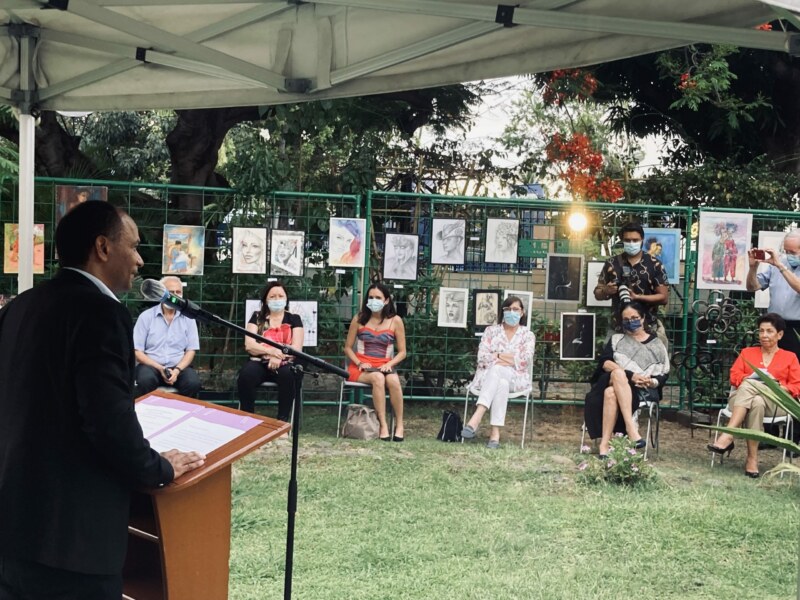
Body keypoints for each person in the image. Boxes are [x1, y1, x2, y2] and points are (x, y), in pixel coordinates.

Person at [0, 201, 205, 599]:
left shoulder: (21, 306)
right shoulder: (101, 313)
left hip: (13, 526)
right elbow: (107, 421)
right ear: (103, 247)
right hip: (72, 543)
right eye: (134, 246)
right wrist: (159, 467)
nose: (140, 260)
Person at [707, 313, 800, 477]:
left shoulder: (789, 357)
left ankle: (729, 434)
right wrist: (752, 381)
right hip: (741, 400)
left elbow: (796, 386)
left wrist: (774, 387)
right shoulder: (748, 353)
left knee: (754, 389)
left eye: (769, 331)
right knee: (755, 399)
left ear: (780, 335)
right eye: (761, 331)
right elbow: (734, 376)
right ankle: (752, 459)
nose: (764, 335)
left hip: (775, 402)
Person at [583, 302, 670, 457]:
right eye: (626, 319)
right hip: (614, 379)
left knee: (611, 393)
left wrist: (651, 382)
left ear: (643, 318)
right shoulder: (617, 339)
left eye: (635, 317)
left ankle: (605, 445)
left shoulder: (657, 344)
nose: (631, 322)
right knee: (617, 374)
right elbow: (605, 363)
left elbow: (663, 374)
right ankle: (631, 429)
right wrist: (630, 375)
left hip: (642, 389)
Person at [461, 295, 536, 448]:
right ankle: (495, 434)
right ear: (503, 312)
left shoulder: (527, 335)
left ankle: (477, 416)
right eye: (508, 309)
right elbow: (482, 358)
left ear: (522, 313)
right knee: (501, 380)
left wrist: (497, 355)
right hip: (489, 378)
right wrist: (510, 358)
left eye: (516, 309)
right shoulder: (491, 331)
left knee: (497, 368)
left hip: (517, 379)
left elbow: (524, 360)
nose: (512, 312)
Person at [344, 283, 407, 441]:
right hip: (362, 367)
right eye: (371, 297)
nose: (374, 300)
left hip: (385, 364)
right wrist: (359, 363)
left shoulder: (395, 321)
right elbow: (347, 348)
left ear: (386, 301)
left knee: (393, 380)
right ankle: (383, 424)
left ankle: (399, 424)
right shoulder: (359, 319)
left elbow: (403, 352)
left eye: (378, 298)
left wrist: (389, 364)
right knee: (377, 378)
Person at [237, 281, 304, 421]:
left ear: (286, 299)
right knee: (246, 374)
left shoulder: (294, 319)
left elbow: (296, 348)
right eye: (272, 296)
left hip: (285, 363)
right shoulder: (257, 317)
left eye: (280, 296)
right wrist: (272, 351)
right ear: (265, 300)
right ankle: (247, 419)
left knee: (289, 376)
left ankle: (282, 422)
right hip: (259, 361)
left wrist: (279, 356)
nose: (277, 299)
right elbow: (249, 345)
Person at [594, 222, 669, 345]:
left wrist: (638, 297)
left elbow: (664, 297)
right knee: (613, 363)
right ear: (622, 240)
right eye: (627, 240)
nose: (631, 243)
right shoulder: (612, 264)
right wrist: (606, 291)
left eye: (635, 240)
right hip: (618, 328)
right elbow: (597, 293)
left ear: (642, 240)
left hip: (647, 328)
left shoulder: (655, 265)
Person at [133, 275, 201, 398]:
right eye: (170, 292)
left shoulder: (189, 318)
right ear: (161, 294)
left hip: (179, 367)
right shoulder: (146, 317)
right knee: (145, 381)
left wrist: (177, 370)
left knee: (193, 383)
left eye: (178, 292)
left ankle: (182, 414)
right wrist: (160, 368)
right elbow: (137, 351)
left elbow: (191, 350)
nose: (174, 295)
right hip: (151, 365)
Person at [747, 230, 800, 357]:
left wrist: (781, 267)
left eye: (793, 252)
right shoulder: (777, 264)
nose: (788, 255)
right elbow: (752, 287)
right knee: (774, 367)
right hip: (776, 325)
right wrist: (753, 268)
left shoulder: (779, 264)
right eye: (786, 251)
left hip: (797, 327)